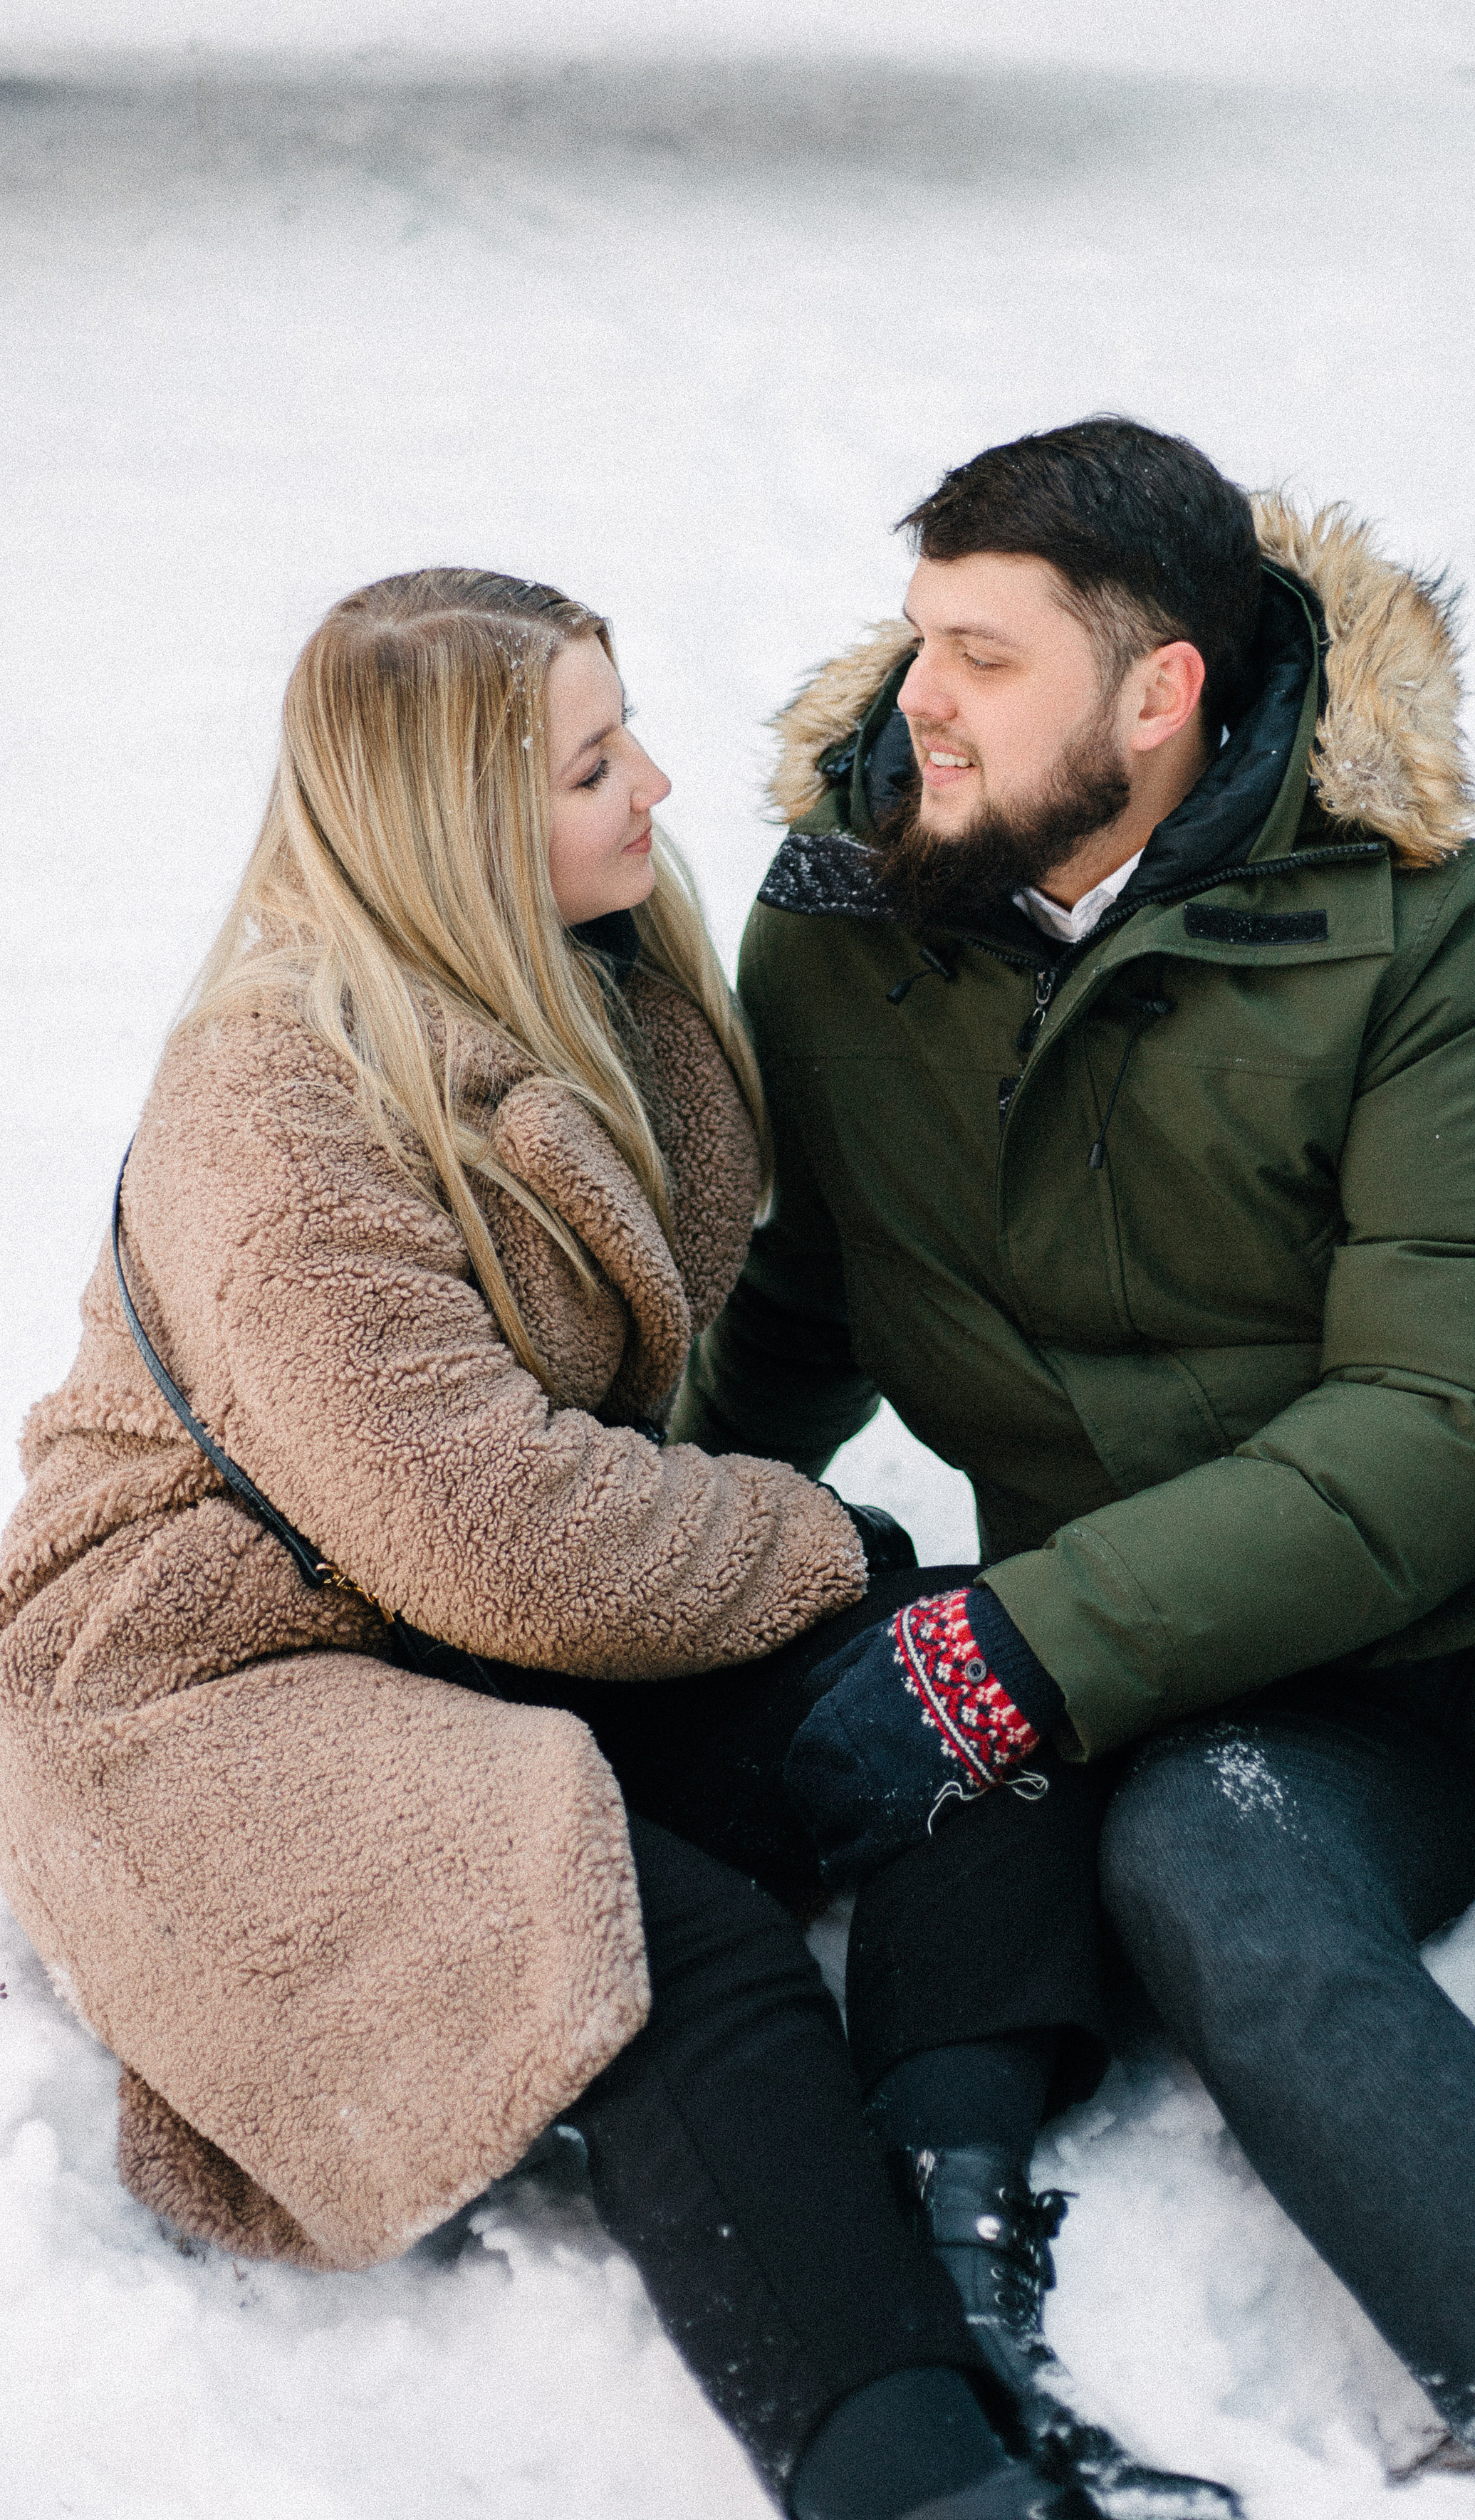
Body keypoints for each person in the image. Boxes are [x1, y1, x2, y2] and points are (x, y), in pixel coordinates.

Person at [670, 419, 1475, 2520]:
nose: (915, 696)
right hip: (1242, 1689)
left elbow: (1464, 1414)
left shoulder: (1411, 924)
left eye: (984, 657)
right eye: (921, 634)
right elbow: (809, 1308)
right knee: (1220, 1884)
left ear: (1161, 690)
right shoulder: (844, 932)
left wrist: (1032, 1632)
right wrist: (587, 1554)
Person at [0, 567, 1234, 2520]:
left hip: (449, 1618)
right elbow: (500, 1528)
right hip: (206, 1676)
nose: (655, 782)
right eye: (593, 763)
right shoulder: (275, 1108)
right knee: (633, 1928)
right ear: (453, 831)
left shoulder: (584, 986)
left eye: (625, 726)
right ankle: (909, 2471)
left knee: (979, 1671)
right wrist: (797, 1530)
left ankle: (948, 2189)